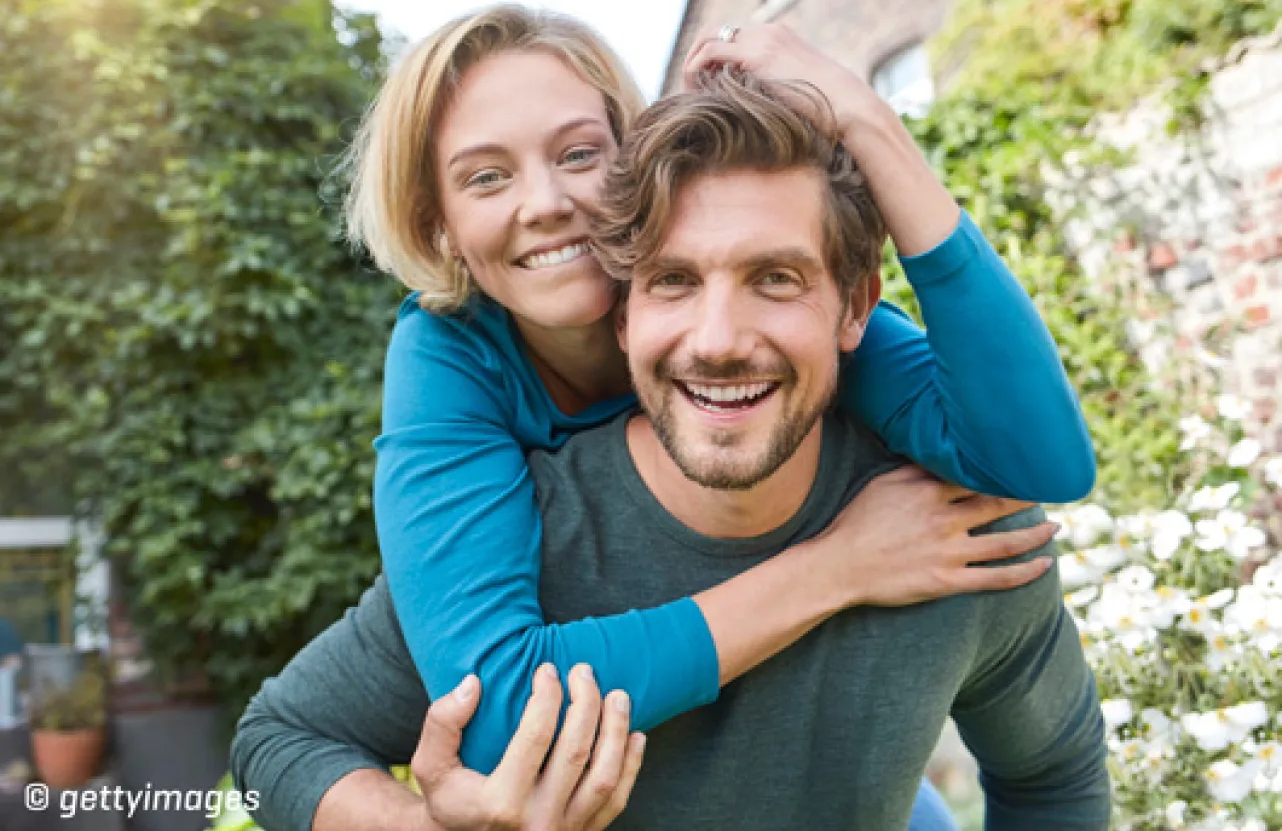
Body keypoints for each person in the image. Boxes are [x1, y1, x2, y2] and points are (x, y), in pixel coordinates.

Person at [231, 70, 1109, 830]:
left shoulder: (948, 530)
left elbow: (1055, 775)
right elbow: (278, 741)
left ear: (854, 307)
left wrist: (863, 117)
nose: (720, 339)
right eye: (675, 280)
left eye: (775, 279)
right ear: (626, 305)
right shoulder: (517, 535)